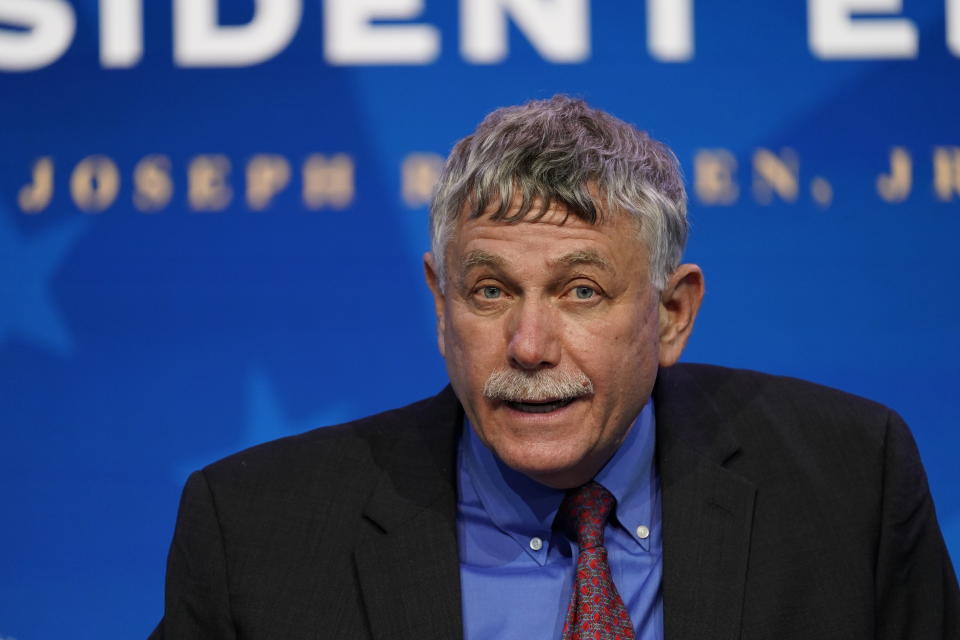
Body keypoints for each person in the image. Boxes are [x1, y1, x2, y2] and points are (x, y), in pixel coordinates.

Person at [151, 96, 959, 639]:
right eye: (491, 290)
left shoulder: (848, 483)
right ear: (441, 304)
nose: (529, 346)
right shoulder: (256, 535)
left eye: (580, 291)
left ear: (671, 313)